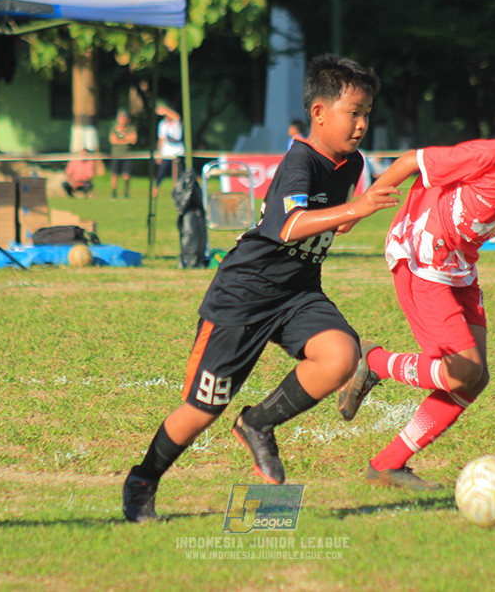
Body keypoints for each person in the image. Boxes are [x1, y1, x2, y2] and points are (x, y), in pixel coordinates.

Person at [122, 54, 401, 523]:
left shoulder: (349, 163)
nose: (361, 124)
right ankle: (143, 479)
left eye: (367, 113)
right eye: (353, 112)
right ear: (318, 112)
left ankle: (258, 424)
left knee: (340, 356)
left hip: (297, 293)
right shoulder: (300, 159)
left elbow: (335, 224)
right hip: (244, 296)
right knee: (201, 409)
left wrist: (359, 205)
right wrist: (357, 209)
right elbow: (290, 226)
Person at [337, 72, 495, 490]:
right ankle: (372, 361)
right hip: (419, 253)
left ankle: (387, 464)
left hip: (458, 266)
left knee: (476, 377)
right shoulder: (487, 156)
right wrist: (361, 207)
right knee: (460, 372)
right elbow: (410, 162)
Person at [153, 105, 184, 197]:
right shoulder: (162, 124)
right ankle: (155, 190)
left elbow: (176, 116)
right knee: (161, 172)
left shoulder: (176, 122)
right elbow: (161, 139)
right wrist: (159, 153)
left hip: (178, 151)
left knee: (178, 173)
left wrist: (165, 110)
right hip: (166, 152)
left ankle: (176, 190)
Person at [108, 109, 138, 199]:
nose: (122, 120)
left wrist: (120, 140)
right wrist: (126, 140)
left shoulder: (131, 128)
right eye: (120, 118)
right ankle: (114, 193)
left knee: (127, 175)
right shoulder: (113, 128)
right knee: (114, 175)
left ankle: (126, 193)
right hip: (116, 155)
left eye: (124, 118)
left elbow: (133, 140)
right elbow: (113, 141)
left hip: (127, 155)